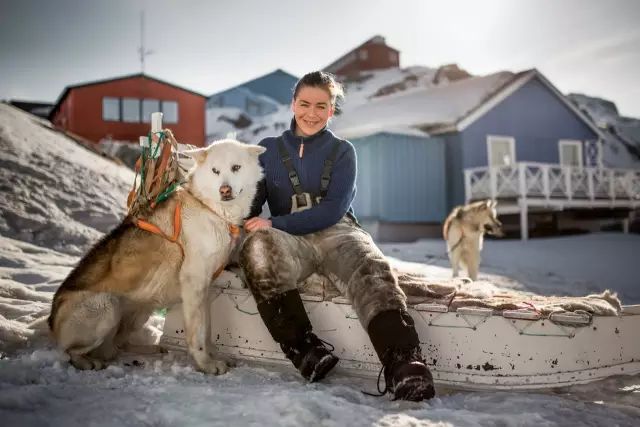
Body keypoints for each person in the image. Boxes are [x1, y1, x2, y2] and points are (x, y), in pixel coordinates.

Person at [240, 71, 435, 401]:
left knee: (371, 265)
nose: (311, 113)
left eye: (321, 106)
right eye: (304, 104)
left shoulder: (343, 151)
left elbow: (332, 210)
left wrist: (274, 224)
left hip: (337, 231)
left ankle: (403, 362)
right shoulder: (267, 151)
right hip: (289, 239)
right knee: (256, 248)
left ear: (331, 111)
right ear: (292, 104)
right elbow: (252, 208)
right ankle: (305, 351)